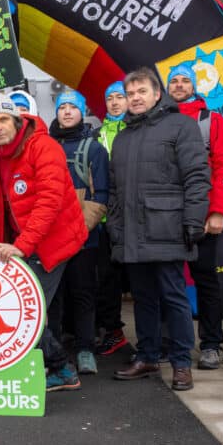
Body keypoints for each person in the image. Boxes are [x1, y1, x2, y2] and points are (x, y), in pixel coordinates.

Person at [0, 93, 87, 392]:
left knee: (26, 308)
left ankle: (60, 368)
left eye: (3, 120)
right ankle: (52, 364)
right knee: (21, 306)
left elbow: (49, 203)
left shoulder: (43, 146)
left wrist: (22, 246)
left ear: (16, 120)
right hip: (18, 242)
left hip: (54, 240)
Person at [107, 67, 210, 391]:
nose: (135, 98)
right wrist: (116, 227)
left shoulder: (181, 125)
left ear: (156, 94)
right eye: (130, 93)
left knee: (174, 297)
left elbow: (196, 176)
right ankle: (148, 356)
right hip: (133, 235)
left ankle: (181, 363)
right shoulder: (123, 136)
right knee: (143, 298)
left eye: (141, 92)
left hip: (167, 228)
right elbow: (114, 189)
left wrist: (194, 220)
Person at [166, 64, 223, 370]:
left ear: (194, 86)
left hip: (202, 215)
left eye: (185, 81)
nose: (180, 85)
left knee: (206, 279)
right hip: (165, 217)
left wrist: (218, 211)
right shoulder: (159, 121)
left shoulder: (212, 121)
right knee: (167, 282)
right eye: (174, 81)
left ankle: (211, 344)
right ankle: (172, 342)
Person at [48, 90, 109, 376]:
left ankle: (86, 349)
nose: (68, 111)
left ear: (82, 112)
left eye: (73, 107)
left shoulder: (94, 148)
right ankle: (55, 352)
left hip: (84, 239)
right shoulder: (45, 146)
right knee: (54, 297)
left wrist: (77, 232)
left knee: (83, 293)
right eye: (63, 107)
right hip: (50, 239)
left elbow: (101, 196)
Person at [95, 81, 130, 355]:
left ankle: (152, 339)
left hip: (134, 218)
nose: (115, 102)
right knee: (107, 280)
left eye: (120, 97)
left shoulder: (137, 129)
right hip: (105, 218)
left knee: (140, 281)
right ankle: (113, 331)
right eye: (111, 98)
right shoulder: (96, 134)